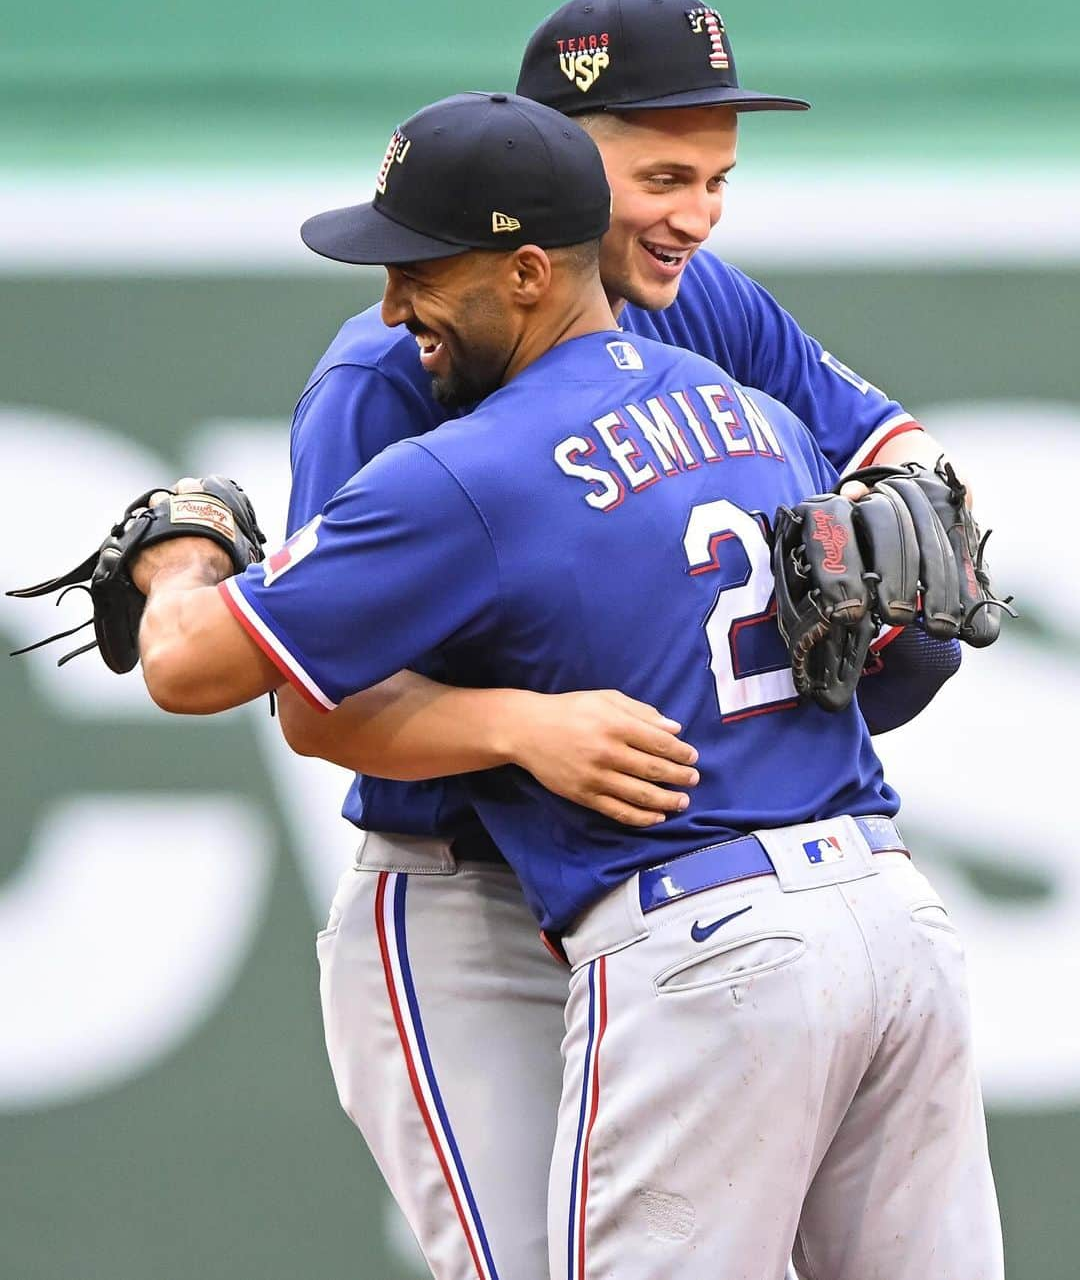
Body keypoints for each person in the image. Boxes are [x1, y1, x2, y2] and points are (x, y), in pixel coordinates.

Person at [128, 91, 1001, 1280]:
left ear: (530, 269)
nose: (391, 307)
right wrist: (528, 722)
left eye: (419, 270)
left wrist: (179, 553)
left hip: (700, 944)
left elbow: (185, 664)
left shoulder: (462, 470)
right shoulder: (755, 415)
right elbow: (904, 667)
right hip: (894, 922)